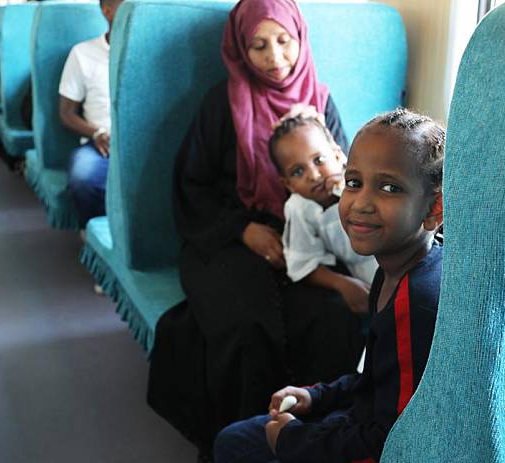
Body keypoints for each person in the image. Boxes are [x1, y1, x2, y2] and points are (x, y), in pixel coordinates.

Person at [147, 0, 364, 459]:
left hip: (306, 236)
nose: (275, 57)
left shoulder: (321, 100)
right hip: (229, 237)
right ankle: (242, 441)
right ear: (240, 50)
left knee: (333, 316)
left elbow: (345, 175)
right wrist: (244, 230)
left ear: (300, 39)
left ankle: (315, 434)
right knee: (244, 323)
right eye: (258, 45)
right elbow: (192, 184)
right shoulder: (221, 103)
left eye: (283, 41)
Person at [213, 107, 446, 463]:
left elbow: (390, 441)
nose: (361, 203)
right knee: (232, 440)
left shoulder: (416, 302)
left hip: (373, 443)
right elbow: (372, 379)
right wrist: (318, 396)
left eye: (389, 187)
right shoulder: (390, 269)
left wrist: (294, 441)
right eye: (354, 182)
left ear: (434, 209)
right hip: (356, 416)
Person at [270, 115, 378, 313]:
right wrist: (342, 284)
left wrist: (345, 187)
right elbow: (303, 263)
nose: (313, 175)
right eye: (297, 172)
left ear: (338, 156)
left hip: (402, 252)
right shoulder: (299, 208)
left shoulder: (360, 179)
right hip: (369, 276)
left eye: (319, 160)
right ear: (288, 184)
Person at [58, 0, 123, 228]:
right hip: (101, 144)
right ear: (107, 11)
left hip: (143, 145)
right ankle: (95, 229)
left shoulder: (154, 53)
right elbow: (66, 113)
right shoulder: (82, 53)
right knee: (83, 175)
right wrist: (96, 132)